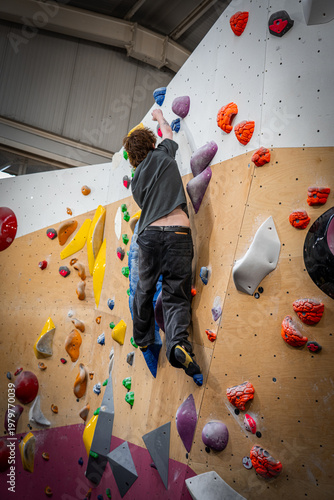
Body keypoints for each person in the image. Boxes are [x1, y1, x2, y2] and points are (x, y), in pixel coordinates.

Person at [123, 109, 202, 385]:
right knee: (175, 294)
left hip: (150, 236)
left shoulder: (134, 184)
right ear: (153, 144)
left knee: (144, 289)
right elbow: (168, 132)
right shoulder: (164, 153)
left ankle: (143, 339)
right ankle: (178, 343)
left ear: (133, 160)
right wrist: (158, 117)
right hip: (180, 232)